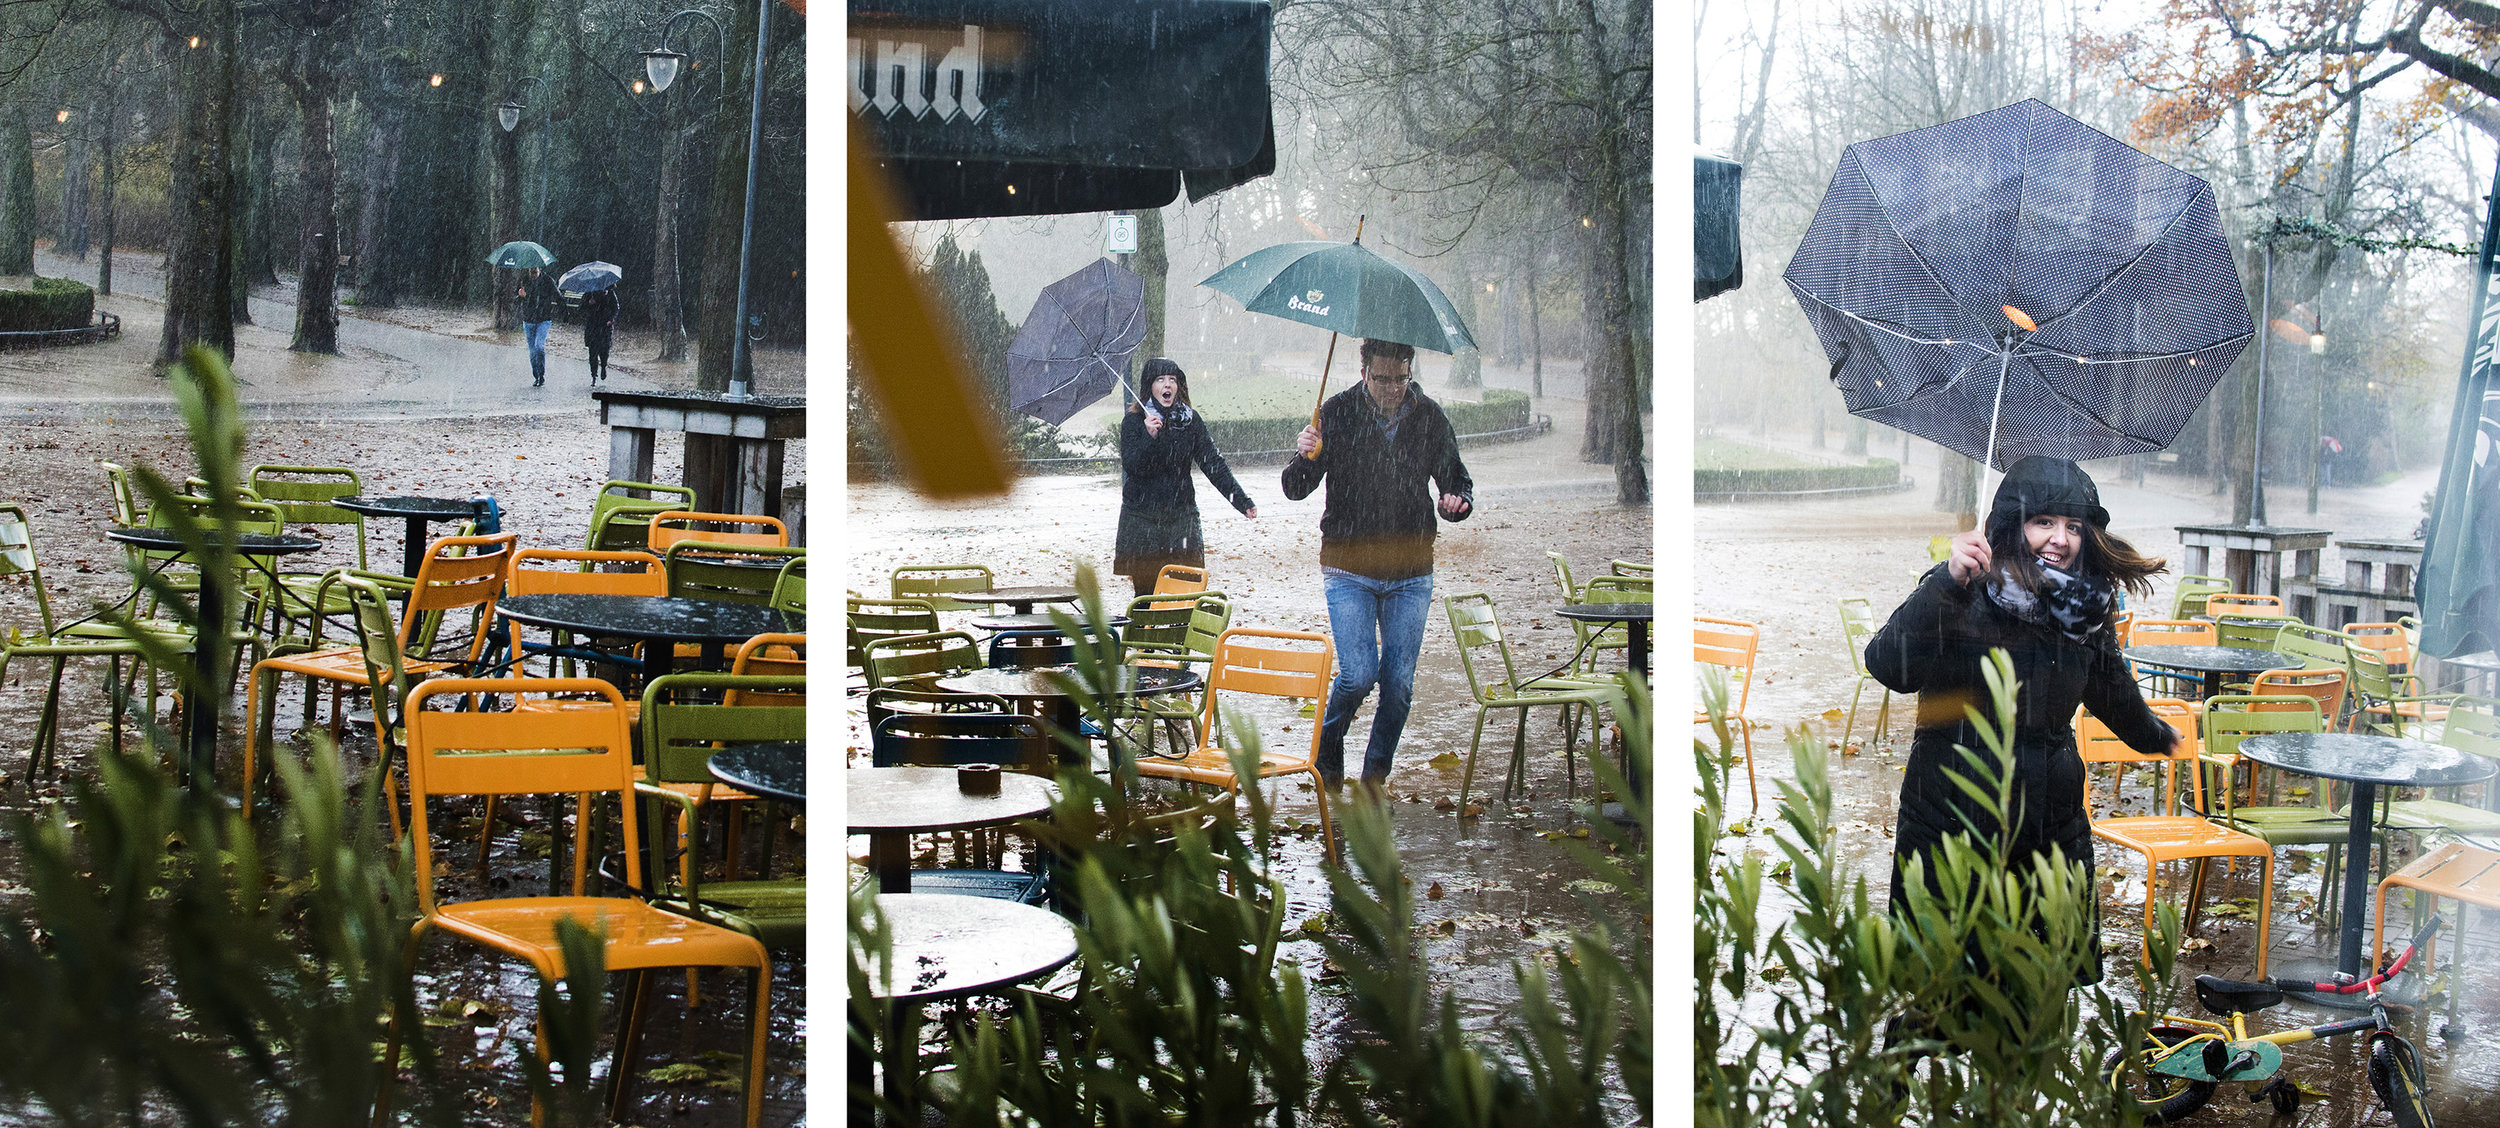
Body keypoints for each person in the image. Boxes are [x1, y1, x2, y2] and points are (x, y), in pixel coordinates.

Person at [1864, 456, 2176, 988]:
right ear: (2013, 524)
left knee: (2038, 994)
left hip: (2047, 826)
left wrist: (2154, 734)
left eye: (2073, 526)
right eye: (2044, 522)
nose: (2060, 539)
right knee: (1938, 997)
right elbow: (1889, 665)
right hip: (1952, 818)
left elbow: (2109, 687)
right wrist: (1945, 581)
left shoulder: (2084, 610)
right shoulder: (1962, 588)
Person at [1281, 338, 1473, 793]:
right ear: (1364, 371)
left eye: (1400, 378)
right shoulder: (1338, 411)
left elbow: (1456, 479)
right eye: (1382, 378)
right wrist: (1305, 452)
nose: (1391, 388)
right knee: (1359, 673)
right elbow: (1294, 487)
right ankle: (1328, 747)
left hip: (1411, 571)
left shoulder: (1429, 417)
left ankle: (1373, 779)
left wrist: (1455, 502)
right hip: (1349, 567)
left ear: (1410, 369)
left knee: (1398, 685)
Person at [1115, 357, 1257, 598]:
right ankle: (1143, 636)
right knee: (1145, 600)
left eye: (1172, 379)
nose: (1167, 385)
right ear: (1150, 385)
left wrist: (1241, 501)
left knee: (1185, 596)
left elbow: (1213, 463)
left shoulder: (1191, 421)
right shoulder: (1134, 422)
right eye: (1160, 379)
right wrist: (1149, 437)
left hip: (1181, 519)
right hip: (1142, 522)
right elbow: (1133, 466)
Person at [515, 266, 558, 387]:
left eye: (535, 272)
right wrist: (520, 296)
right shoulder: (523, 281)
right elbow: (515, 301)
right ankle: (537, 376)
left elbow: (557, 295)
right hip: (528, 320)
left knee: (539, 346)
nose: (533, 274)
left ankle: (541, 374)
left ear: (539, 270)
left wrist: (564, 311)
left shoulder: (547, 281)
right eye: (531, 272)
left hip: (544, 319)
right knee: (532, 351)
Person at [582, 283, 619, 385]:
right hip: (592, 326)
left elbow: (616, 308)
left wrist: (611, 320)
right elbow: (581, 308)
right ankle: (593, 375)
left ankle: (603, 366)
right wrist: (588, 303)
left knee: (604, 351)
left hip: (605, 326)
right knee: (592, 353)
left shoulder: (610, 292)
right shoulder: (589, 292)